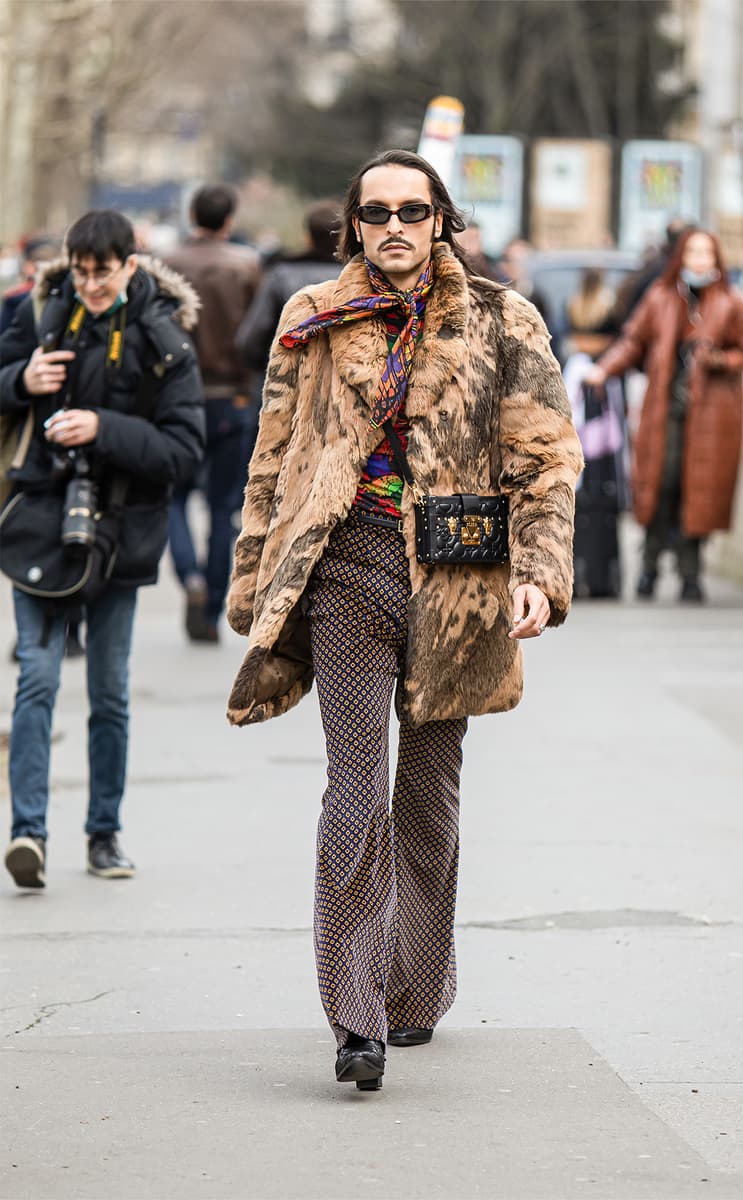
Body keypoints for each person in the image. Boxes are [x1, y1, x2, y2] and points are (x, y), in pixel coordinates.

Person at [225, 149, 583, 1092]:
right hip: (348, 571)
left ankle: (415, 986)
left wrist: (540, 570)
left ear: (440, 221)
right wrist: (253, 578)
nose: (394, 226)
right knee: (357, 787)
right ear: (352, 223)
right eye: (375, 211)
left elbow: (546, 458)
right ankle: (355, 1014)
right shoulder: (313, 318)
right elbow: (272, 456)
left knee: (428, 794)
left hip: (460, 584)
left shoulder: (505, 318)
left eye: (412, 212)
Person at [0, 210, 204, 888]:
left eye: (102, 272)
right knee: (37, 678)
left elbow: (184, 452)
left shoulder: (164, 336)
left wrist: (103, 427)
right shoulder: (39, 313)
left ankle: (103, 834)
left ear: (130, 264)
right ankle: (26, 832)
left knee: (109, 693)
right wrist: (18, 383)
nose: (88, 284)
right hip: (40, 519)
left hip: (124, 527)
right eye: (80, 271)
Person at [585, 228, 743, 602]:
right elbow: (633, 340)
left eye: (706, 253)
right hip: (664, 409)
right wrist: (604, 369)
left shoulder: (731, 302)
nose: (699, 260)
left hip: (711, 414)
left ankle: (690, 574)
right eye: (692, 252)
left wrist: (717, 359)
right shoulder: (661, 297)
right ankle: (649, 567)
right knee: (658, 485)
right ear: (681, 256)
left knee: (695, 490)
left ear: (716, 259)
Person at [165, 184, 261, 643]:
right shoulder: (245, 265)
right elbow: (256, 332)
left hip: (176, 397)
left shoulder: (167, 264)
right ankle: (210, 610)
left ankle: (191, 578)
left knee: (175, 496)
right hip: (231, 397)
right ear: (229, 219)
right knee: (224, 507)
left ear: (191, 214)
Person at [235, 200, 342, 374]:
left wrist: (267, 368)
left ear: (308, 237)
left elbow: (251, 338)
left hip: (287, 381)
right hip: (342, 386)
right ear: (343, 236)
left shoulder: (280, 275)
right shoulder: (357, 276)